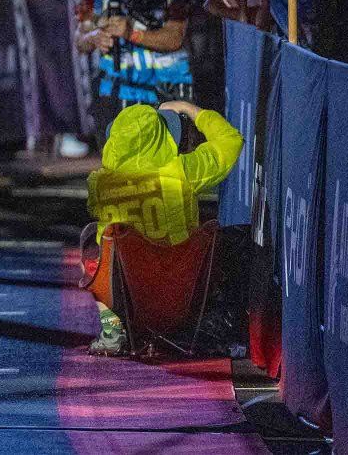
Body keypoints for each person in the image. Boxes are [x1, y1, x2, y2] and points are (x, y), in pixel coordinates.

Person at [84, 100, 242, 354]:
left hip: (132, 300)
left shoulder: (102, 186)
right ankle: (217, 324)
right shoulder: (182, 172)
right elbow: (231, 141)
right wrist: (192, 110)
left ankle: (112, 330)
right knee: (233, 239)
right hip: (183, 294)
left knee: (95, 250)